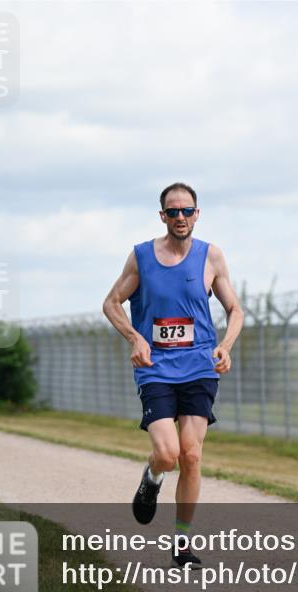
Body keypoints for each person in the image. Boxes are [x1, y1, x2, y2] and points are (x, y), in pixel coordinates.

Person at [103, 182, 243, 568]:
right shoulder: (141, 257)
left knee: (192, 456)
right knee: (168, 454)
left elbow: (236, 310)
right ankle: (152, 476)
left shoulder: (211, 256)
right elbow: (111, 303)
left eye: (187, 211)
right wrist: (134, 337)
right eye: (173, 212)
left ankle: (182, 545)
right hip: (156, 368)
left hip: (199, 366)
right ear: (162, 216)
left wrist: (225, 346)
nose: (180, 217)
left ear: (197, 214)